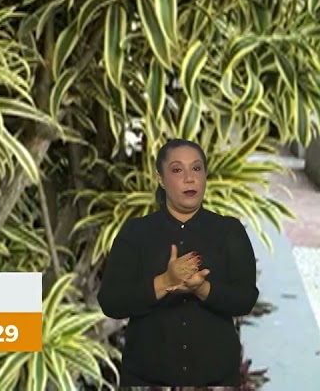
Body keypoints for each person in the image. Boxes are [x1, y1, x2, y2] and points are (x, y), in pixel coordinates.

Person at [97, 138, 260, 388]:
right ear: (161, 179)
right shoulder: (136, 232)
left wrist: (202, 288)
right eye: (177, 170)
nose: (189, 178)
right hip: (147, 381)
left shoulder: (229, 231)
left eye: (196, 168)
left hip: (214, 380)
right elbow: (111, 302)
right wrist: (164, 282)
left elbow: (245, 299)